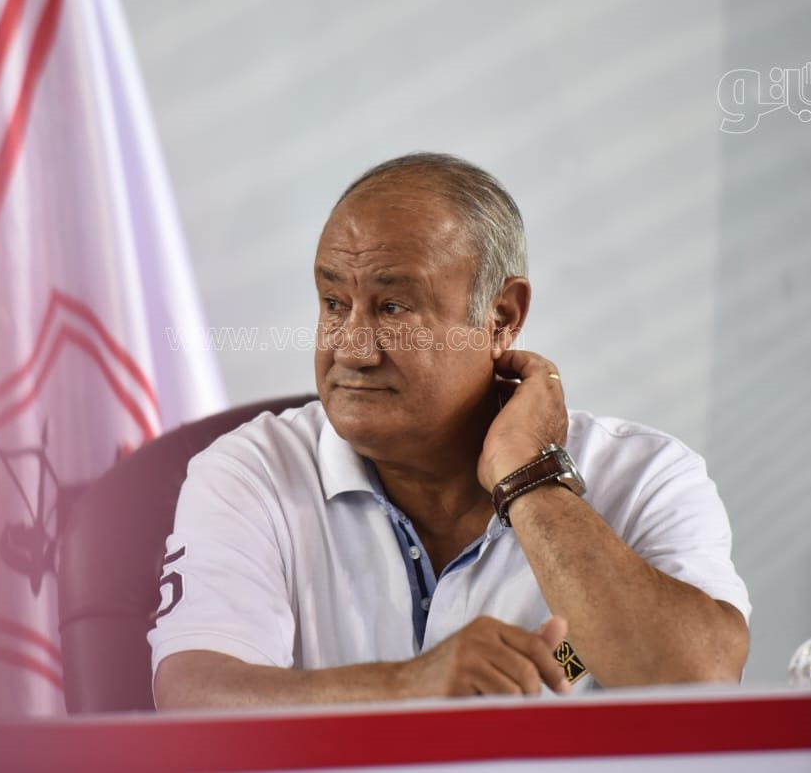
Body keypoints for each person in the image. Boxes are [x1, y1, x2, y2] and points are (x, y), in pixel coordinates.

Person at [149, 153, 750, 707]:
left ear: (501, 316)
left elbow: (702, 681)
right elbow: (194, 697)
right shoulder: (251, 472)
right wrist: (410, 687)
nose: (352, 349)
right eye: (333, 303)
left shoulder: (646, 475)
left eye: (393, 308)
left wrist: (530, 479)